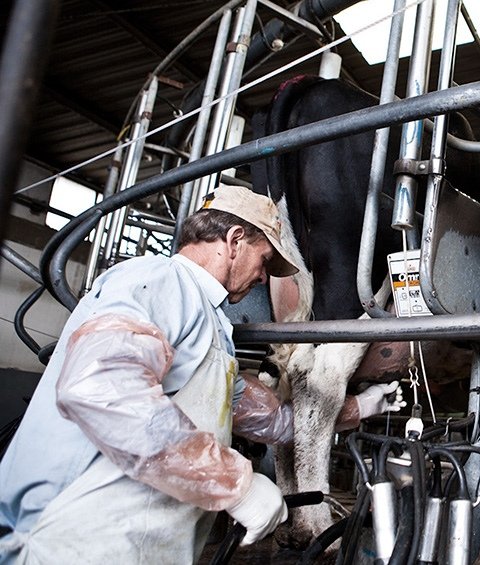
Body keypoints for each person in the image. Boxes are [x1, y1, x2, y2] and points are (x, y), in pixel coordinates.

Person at [0, 185, 403, 564]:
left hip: (128, 544)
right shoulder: (158, 281)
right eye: (264, 261)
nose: (264, 278)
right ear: (233, 241)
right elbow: (102, 390)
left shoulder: (209, 325)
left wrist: (358, 407)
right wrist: (235, 484)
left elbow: (270, 420)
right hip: (70, 539)